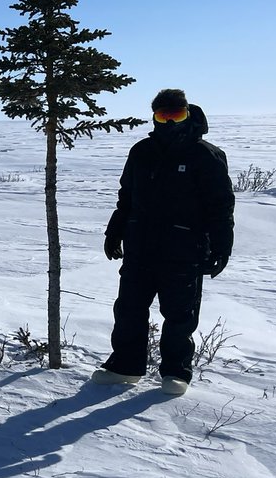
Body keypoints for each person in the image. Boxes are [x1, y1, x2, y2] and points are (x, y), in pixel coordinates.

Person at [92, 89, 235, 395]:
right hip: (140, 246)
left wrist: (223, 247)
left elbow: (221, 206)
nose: (170, 122)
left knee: (179, 316)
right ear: (155, 117)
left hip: (185, 249)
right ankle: (124, 367)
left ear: (188, 114)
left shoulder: (206, 156)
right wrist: (113, 232)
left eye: (177, 115)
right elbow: (126, 198)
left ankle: (176, 372)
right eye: (163, 116)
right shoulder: (141, 152)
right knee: (129, 309)